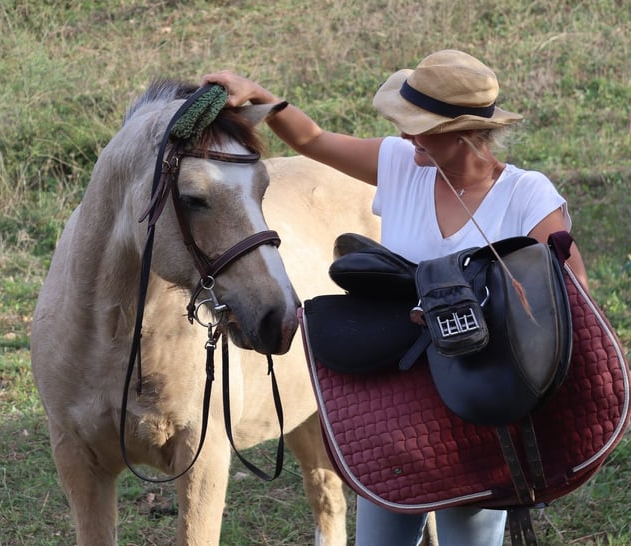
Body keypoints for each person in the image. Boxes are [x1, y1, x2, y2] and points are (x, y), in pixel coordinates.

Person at [202, 48, 588, 546]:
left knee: (468, 538)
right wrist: (260, 95)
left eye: (419, 125)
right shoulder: (404, 165)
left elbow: (569, 300)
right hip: (397, 402)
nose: (405, 134)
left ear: (464, 132)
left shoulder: (527, 196)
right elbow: (314, 140)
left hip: (481, 397)